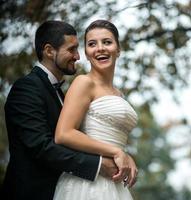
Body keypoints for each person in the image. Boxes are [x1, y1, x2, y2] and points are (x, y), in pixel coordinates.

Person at [1, 20, 131, 200]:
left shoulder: (61, 93)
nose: (78, 56)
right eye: (72, 50)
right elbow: (41, 146)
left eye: (78, 49)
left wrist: (121, 154)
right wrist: (98, 164)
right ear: (49, 51)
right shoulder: (27, 88)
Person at [53, 19, 138, 200]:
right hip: (87, 184)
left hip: (115, 184)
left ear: (118, 49)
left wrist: (125, 155)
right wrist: (116, 152)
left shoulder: (119, 93)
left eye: (107, 42)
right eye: (92, 44)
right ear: (86, 52)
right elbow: (63, 133)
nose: (100, 48)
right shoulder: (84, 83)